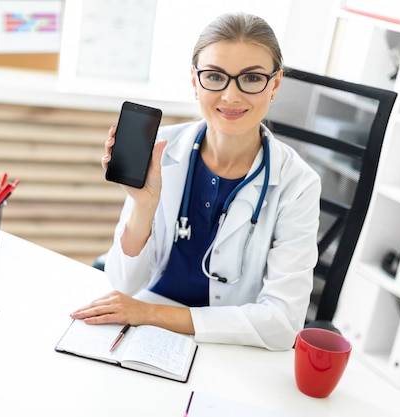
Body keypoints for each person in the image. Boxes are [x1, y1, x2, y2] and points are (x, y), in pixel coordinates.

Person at [70, 12, 321, 351]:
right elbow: (124, 284)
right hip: (143, 331)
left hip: (229, 341)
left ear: (275, 84)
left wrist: (151, 314)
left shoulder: (298, 184)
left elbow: (282, 324)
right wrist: (144, 205)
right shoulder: (159, 150)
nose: (231, 96)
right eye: (215, 76)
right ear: (194, 81)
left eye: (251, 78)